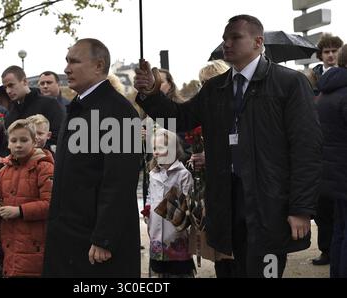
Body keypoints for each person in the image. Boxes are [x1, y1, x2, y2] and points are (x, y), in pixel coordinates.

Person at [134, 14, 322, 278]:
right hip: (226, 203)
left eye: (235, 37)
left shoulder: (289, 83)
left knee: (263, 273)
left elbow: (307, 149)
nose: (227, 44)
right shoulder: (215, 88)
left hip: (268, 205)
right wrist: (151, 93)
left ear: (258, 42)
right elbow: (180, 119)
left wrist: (301, 209)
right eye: (224, 38)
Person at [43, 38, 141, 277]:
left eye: (74, 61)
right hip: (70, 235)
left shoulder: (118, 111)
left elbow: (119, 181)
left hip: (94, 243)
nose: (66, 69)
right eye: (66, 61)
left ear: (98, 66)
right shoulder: (79, 106)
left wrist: (104, 238)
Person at [188, 60, 236, 278]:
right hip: (212, 195)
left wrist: (211, 157)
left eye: (207, 82)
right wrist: (195, 161)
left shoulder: (237, 109)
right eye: (201, 84)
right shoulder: (207, 111)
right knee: (219, 259)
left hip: (235, 196)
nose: (204, 88)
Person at [0, 119, 54, 277]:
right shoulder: (3, 172)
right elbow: (1, 201)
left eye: (24, 140)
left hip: (35, 246)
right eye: (14, 140)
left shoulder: (44, 167)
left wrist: (19, 211)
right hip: (10, 247)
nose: (18, 145)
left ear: (34, 142)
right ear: (8, 144)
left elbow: (51, 204)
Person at [143, 128, 195, 277]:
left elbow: (187, 206)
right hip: (155, 233)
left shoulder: (183, 174)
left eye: (160, 148)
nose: (156, 152)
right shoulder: (153, 174)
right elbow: (149, 195)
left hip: (176, 235)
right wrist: (148, 211)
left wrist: (168, 204)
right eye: (154, 148)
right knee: (158, 268)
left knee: (178, 270)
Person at [311, 36, 344, 266]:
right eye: (327, 51)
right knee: (326, 214)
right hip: (326, 158)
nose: (331, 55)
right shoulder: (314, 79)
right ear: (321, 55)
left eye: (335, 51)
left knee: (339, 218)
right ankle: (327, 251)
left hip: (330, 160)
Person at [2, 66, 65, 148]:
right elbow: (7, 143)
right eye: (5, 87)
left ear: (24, 81)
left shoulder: (50, 104)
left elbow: (60, 136)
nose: (8, 91)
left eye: (11, 85)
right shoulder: (11, 113)